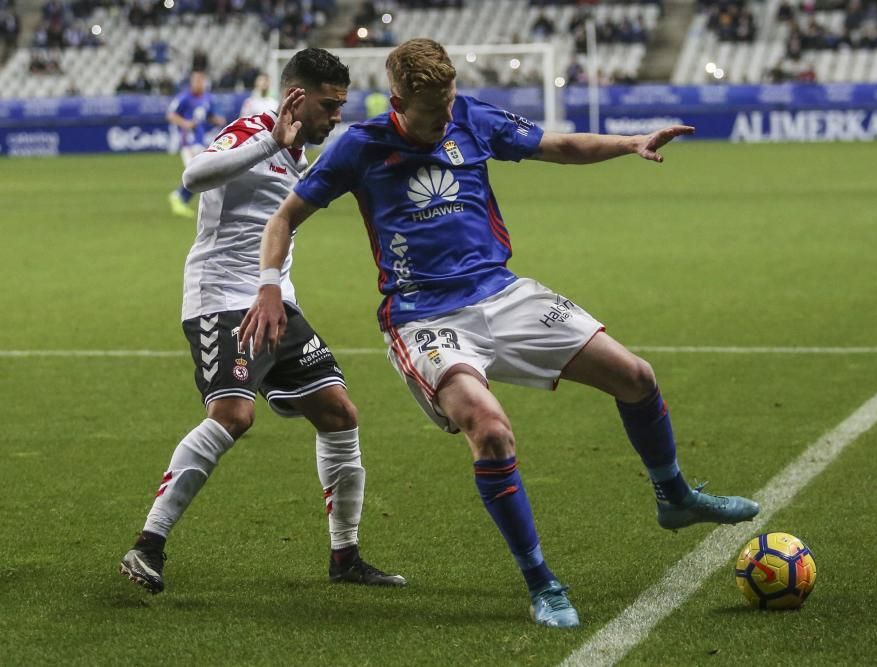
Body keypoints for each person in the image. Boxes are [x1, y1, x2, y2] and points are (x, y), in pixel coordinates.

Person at [240, 38, 758, 628]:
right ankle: (542, 582)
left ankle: (675, 496)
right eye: (432, 110)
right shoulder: (360, 146)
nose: (444, 118)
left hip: (505, 295)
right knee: (490, 432)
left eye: (449, 102)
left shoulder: (471, 117)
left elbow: (557, 145)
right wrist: (268, 287)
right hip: (424, 318)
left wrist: (630, 143)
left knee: (636, 377)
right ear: (399, 101)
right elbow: (283, 218)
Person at [120, 48, 406, 595]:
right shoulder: (255, 129)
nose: (336, 116)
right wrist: (271, 140)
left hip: (277, 302)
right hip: (220, 300)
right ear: (296, 97)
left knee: (339, 411)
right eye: (329, 105)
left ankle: (344, 556)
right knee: (233, 414)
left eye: (341, 105)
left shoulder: (312, 152)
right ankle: (148, 545)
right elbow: (195, 173)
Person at [165, 70, 226, 218]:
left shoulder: (207, 98)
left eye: (201, 80)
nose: (199, 83)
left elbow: (208, 115)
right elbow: (171, 115)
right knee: (197, 171)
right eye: (196, 81)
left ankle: (180, 198)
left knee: (201, 172)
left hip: (199, 140)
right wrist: (185, 123)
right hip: (188, 141)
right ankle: (179, 196)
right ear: (191, 82)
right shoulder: (184, 98)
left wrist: (216, 120)